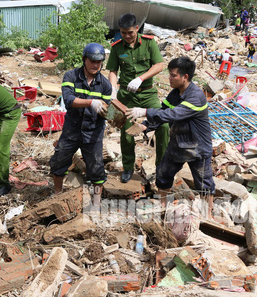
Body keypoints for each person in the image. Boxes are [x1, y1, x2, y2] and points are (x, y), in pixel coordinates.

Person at [126, 57, 215, 218]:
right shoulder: (175, 93)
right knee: (163, 174)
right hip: (178, 144)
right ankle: (163, 208)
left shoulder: (196, 96)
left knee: (204, 182)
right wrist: (146, 124)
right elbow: (163, 111)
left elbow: (173, 114)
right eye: (170, 74)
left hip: (197, 147)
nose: (170, 78)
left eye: (173, 75)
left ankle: (207, 216)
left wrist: (145, 111)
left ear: (185, 77)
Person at [107, 13, 169, 183]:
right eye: (123, 33)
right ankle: (128, 167)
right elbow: (112, 70)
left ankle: (161, 167)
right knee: (126, 132)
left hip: (148, 93)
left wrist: (141, 78)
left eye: (130, 32)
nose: (127, 36)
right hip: (127, 96)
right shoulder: (117, 47)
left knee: (163, 125)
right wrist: (112, 89)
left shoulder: (149, 43)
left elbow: (159, 65)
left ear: (136, 28)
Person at [50, 43, 112, 202]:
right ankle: (58, 193)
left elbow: (107, 110)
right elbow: (69, 100)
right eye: (92, 61)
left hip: (93, 131)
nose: (95, 65)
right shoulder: (71, 76)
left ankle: (97, 201)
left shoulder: (105, 84)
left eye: (99, 62)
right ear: (84, 59)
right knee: (60, 160)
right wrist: (91, 102)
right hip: (73, 128)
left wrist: (112, 113)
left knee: (96, 166)